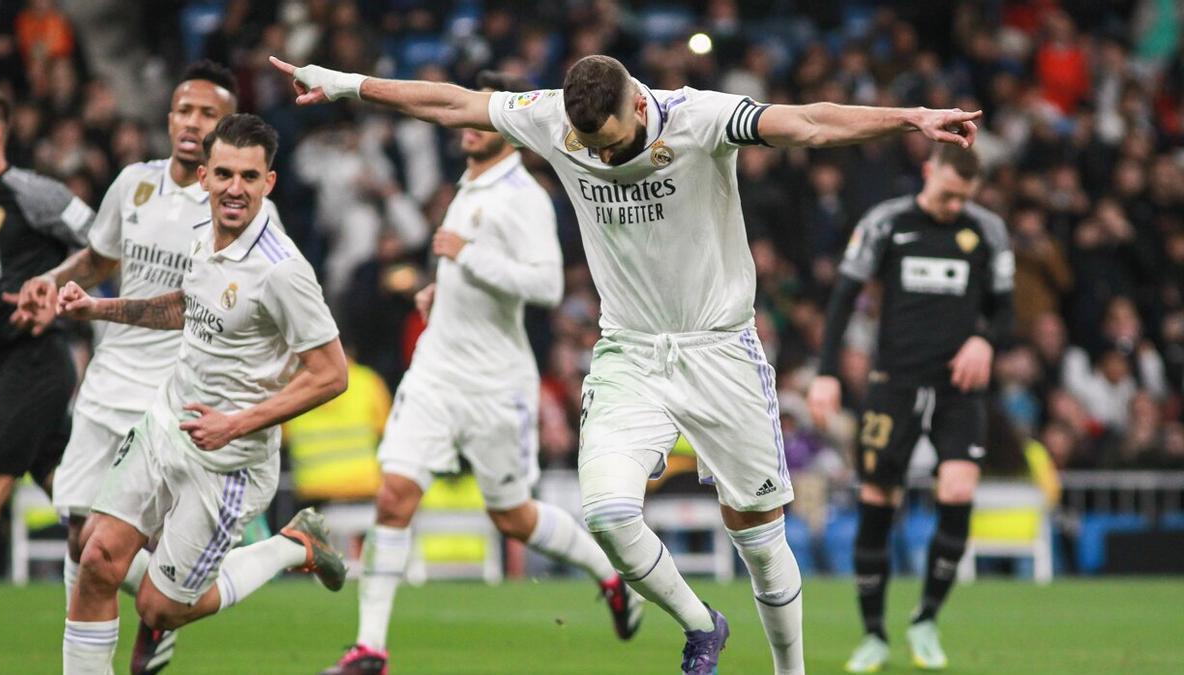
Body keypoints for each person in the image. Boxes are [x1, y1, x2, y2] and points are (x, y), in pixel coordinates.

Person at [271, 53, 980, 675]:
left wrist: (909, 118)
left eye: (611, 143)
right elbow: (450, 101)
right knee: (608, 512)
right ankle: (702, 623)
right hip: (631, 350)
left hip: (719, 348)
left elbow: (810, 123)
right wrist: (346, 85)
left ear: (637, 105)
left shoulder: (699, 118)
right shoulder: (554, 118)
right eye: (589, 148)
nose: (602, 158)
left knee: (760, 539)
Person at [319, 70, 641, 675]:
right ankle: (370, 648)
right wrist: (443, 289)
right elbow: (474, 270)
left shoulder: (524, 198)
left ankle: (608, 573)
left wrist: (466, 256)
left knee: (513, 515)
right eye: (464, 115)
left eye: (480, 117)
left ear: (508, 129)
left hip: (497, 384)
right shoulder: (468, 186)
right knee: (394, 496)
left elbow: (545, 284)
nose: (466, 126)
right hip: (438, 370)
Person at [57, 114, 349, 675]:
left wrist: (235, 425)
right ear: (204, 179)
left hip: (228, 462)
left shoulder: (282, 270)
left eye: (248, 176)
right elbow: (188, 307)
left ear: (269, 183)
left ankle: (296, 545)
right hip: (166, 423)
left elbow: (331, 373)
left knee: (159, 608)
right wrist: (99, 307)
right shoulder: (203, 236)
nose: (234, 188)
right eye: (223, 174)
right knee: (95, 557)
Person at [8, 60, 258, 674]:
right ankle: (155, 619)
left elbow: (198, 306)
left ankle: (139, 628)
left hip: (170, 386)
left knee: (109, 543)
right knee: (78, 534)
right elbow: (98, 257)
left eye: (207, 113)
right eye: (184, 110)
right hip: (108, 375)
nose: (192, 122)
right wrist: (51, 280)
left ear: (225, 126)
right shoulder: (134, 184)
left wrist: (100, 307)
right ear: (169, 117)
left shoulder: (228, 207)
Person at [807, 145, 1014, 672]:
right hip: (893, 383)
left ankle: (925, 619)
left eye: (963, 198)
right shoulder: (886, 223)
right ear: (929, 171)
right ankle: (873, 632)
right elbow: (843, 298)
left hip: (957, 387)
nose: (953, 207)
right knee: (879, 496)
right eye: (947, 194)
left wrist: (986, 340)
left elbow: (1005, 306)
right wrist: (827, 372)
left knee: (959, 488)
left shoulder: (986, 230)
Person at [0, 85, 94, 579]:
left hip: (36, 360)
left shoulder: (34, 194)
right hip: (2, 367)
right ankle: (159, 581)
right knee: (81, 510)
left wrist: (59, 296)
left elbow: (106, 244)